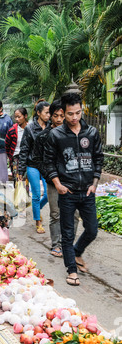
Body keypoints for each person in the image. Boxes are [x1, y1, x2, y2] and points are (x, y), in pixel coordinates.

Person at [44, 92, 104, 286]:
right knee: (67, 233)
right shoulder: (56, 135)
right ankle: (71, 270)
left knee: (92, 229)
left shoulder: (92, 133)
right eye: (70, 114)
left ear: (82, 110)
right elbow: (49, 162)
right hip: (67, 191)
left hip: (87, 191)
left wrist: (94, 184)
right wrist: (58, 185)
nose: (74, 117)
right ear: (63, 112)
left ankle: (77, 252)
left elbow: (98, 159)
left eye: (78, 113)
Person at [33, 99, 80, 257]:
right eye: (55, 115)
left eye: (62, 115)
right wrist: (49, 176)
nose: (59, 119)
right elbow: (38, 159)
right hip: (53, 182)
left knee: (74, 214)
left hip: (73, 180)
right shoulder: (43, 137)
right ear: (50, 116)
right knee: (56, 213)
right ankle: (56, 244)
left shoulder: (74, 134)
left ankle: (69, 244)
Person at [18, 99, 50, 234]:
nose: (49, 115)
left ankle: (37, 208)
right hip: (32, 165)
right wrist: (21, 169)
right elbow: (24, 149)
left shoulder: (52, 127)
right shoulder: (30, 128)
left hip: (48, 165)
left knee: (48, 194)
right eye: (47, 112)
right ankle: (38, 221)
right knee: (36, 194)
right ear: (38, 113)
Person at [5, 107, 28, 184]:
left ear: (25, 116)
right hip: (16, 157)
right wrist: (11, 156)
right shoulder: (12, 130)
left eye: (19, 117)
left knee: (26, 180)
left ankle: (25, 195)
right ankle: (19, 195)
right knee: (18, 179)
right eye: (15, 117)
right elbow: (7, 145)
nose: (17, 119)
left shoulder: (30, 129)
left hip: (28, 158)